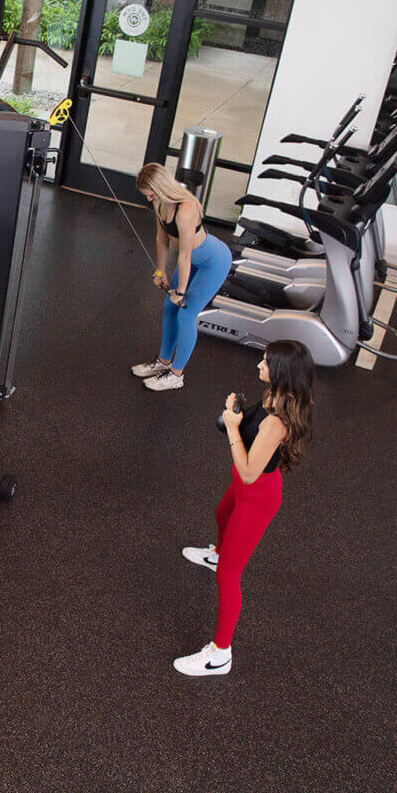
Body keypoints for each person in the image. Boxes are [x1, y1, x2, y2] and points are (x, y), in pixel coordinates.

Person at [173, 341, 314, 676]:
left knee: (229, 576)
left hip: (257, 496)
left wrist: (233, 428)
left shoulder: (277, 422)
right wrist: (239, 413)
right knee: (221, 515)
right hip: (244, 486)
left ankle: (220, 654)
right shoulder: (273, 395)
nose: (259, 365)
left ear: (281, 372)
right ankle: (219, 552)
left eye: (265, 362)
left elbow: (251, 472)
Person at [129, 163, 233, 392]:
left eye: (150, 193)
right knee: (169, 307)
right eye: (146, 195)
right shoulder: (160, 204)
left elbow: (184, 254)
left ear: (162, 187)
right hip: (191, 261)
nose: (149, 199)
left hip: (212, 262)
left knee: (186, 315)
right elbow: (161, 238)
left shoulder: (186, 209)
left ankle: (176, 374)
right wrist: (160, 271)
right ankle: (163, 363)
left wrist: (181, 292)